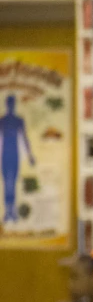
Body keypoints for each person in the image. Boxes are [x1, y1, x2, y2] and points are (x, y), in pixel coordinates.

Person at [0, 95, 35, 223]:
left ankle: (12, 211)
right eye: (9, 103)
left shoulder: (19, 120)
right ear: (7, 104)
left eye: (12, 103)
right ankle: (7, 211)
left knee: (12, 183)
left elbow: (25, 139)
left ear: (14, 105)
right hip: (5, 155)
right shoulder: (2, 120)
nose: (11, 106)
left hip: (14, 155)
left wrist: (30, 156)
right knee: (6, 183)